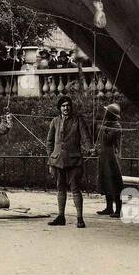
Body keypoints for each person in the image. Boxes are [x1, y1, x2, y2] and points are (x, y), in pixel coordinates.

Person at [45, 95, 94, 227]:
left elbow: (86, 137)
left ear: (71, 107)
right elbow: (49, 142)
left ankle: (80, 219)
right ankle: (61, 217)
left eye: (68, 105)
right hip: (57, 161)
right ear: (59, 108)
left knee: (75, 189)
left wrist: (90, 149)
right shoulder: (54, 121)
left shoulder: (78, 120)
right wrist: (51, 157)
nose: (66, 108)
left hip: (74, 161)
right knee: (60, 189)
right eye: (63, 106)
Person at [96, 103, 124, 217]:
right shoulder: (107, 125)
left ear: (111, 114)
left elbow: (108, 139)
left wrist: (103, 128)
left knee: (115, 183)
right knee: (106, 182)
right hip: (105, 157)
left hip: (112, 158)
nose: (105, 114)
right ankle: (109, 208)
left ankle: (118, 210)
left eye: (107, 112)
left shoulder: (116, 127)